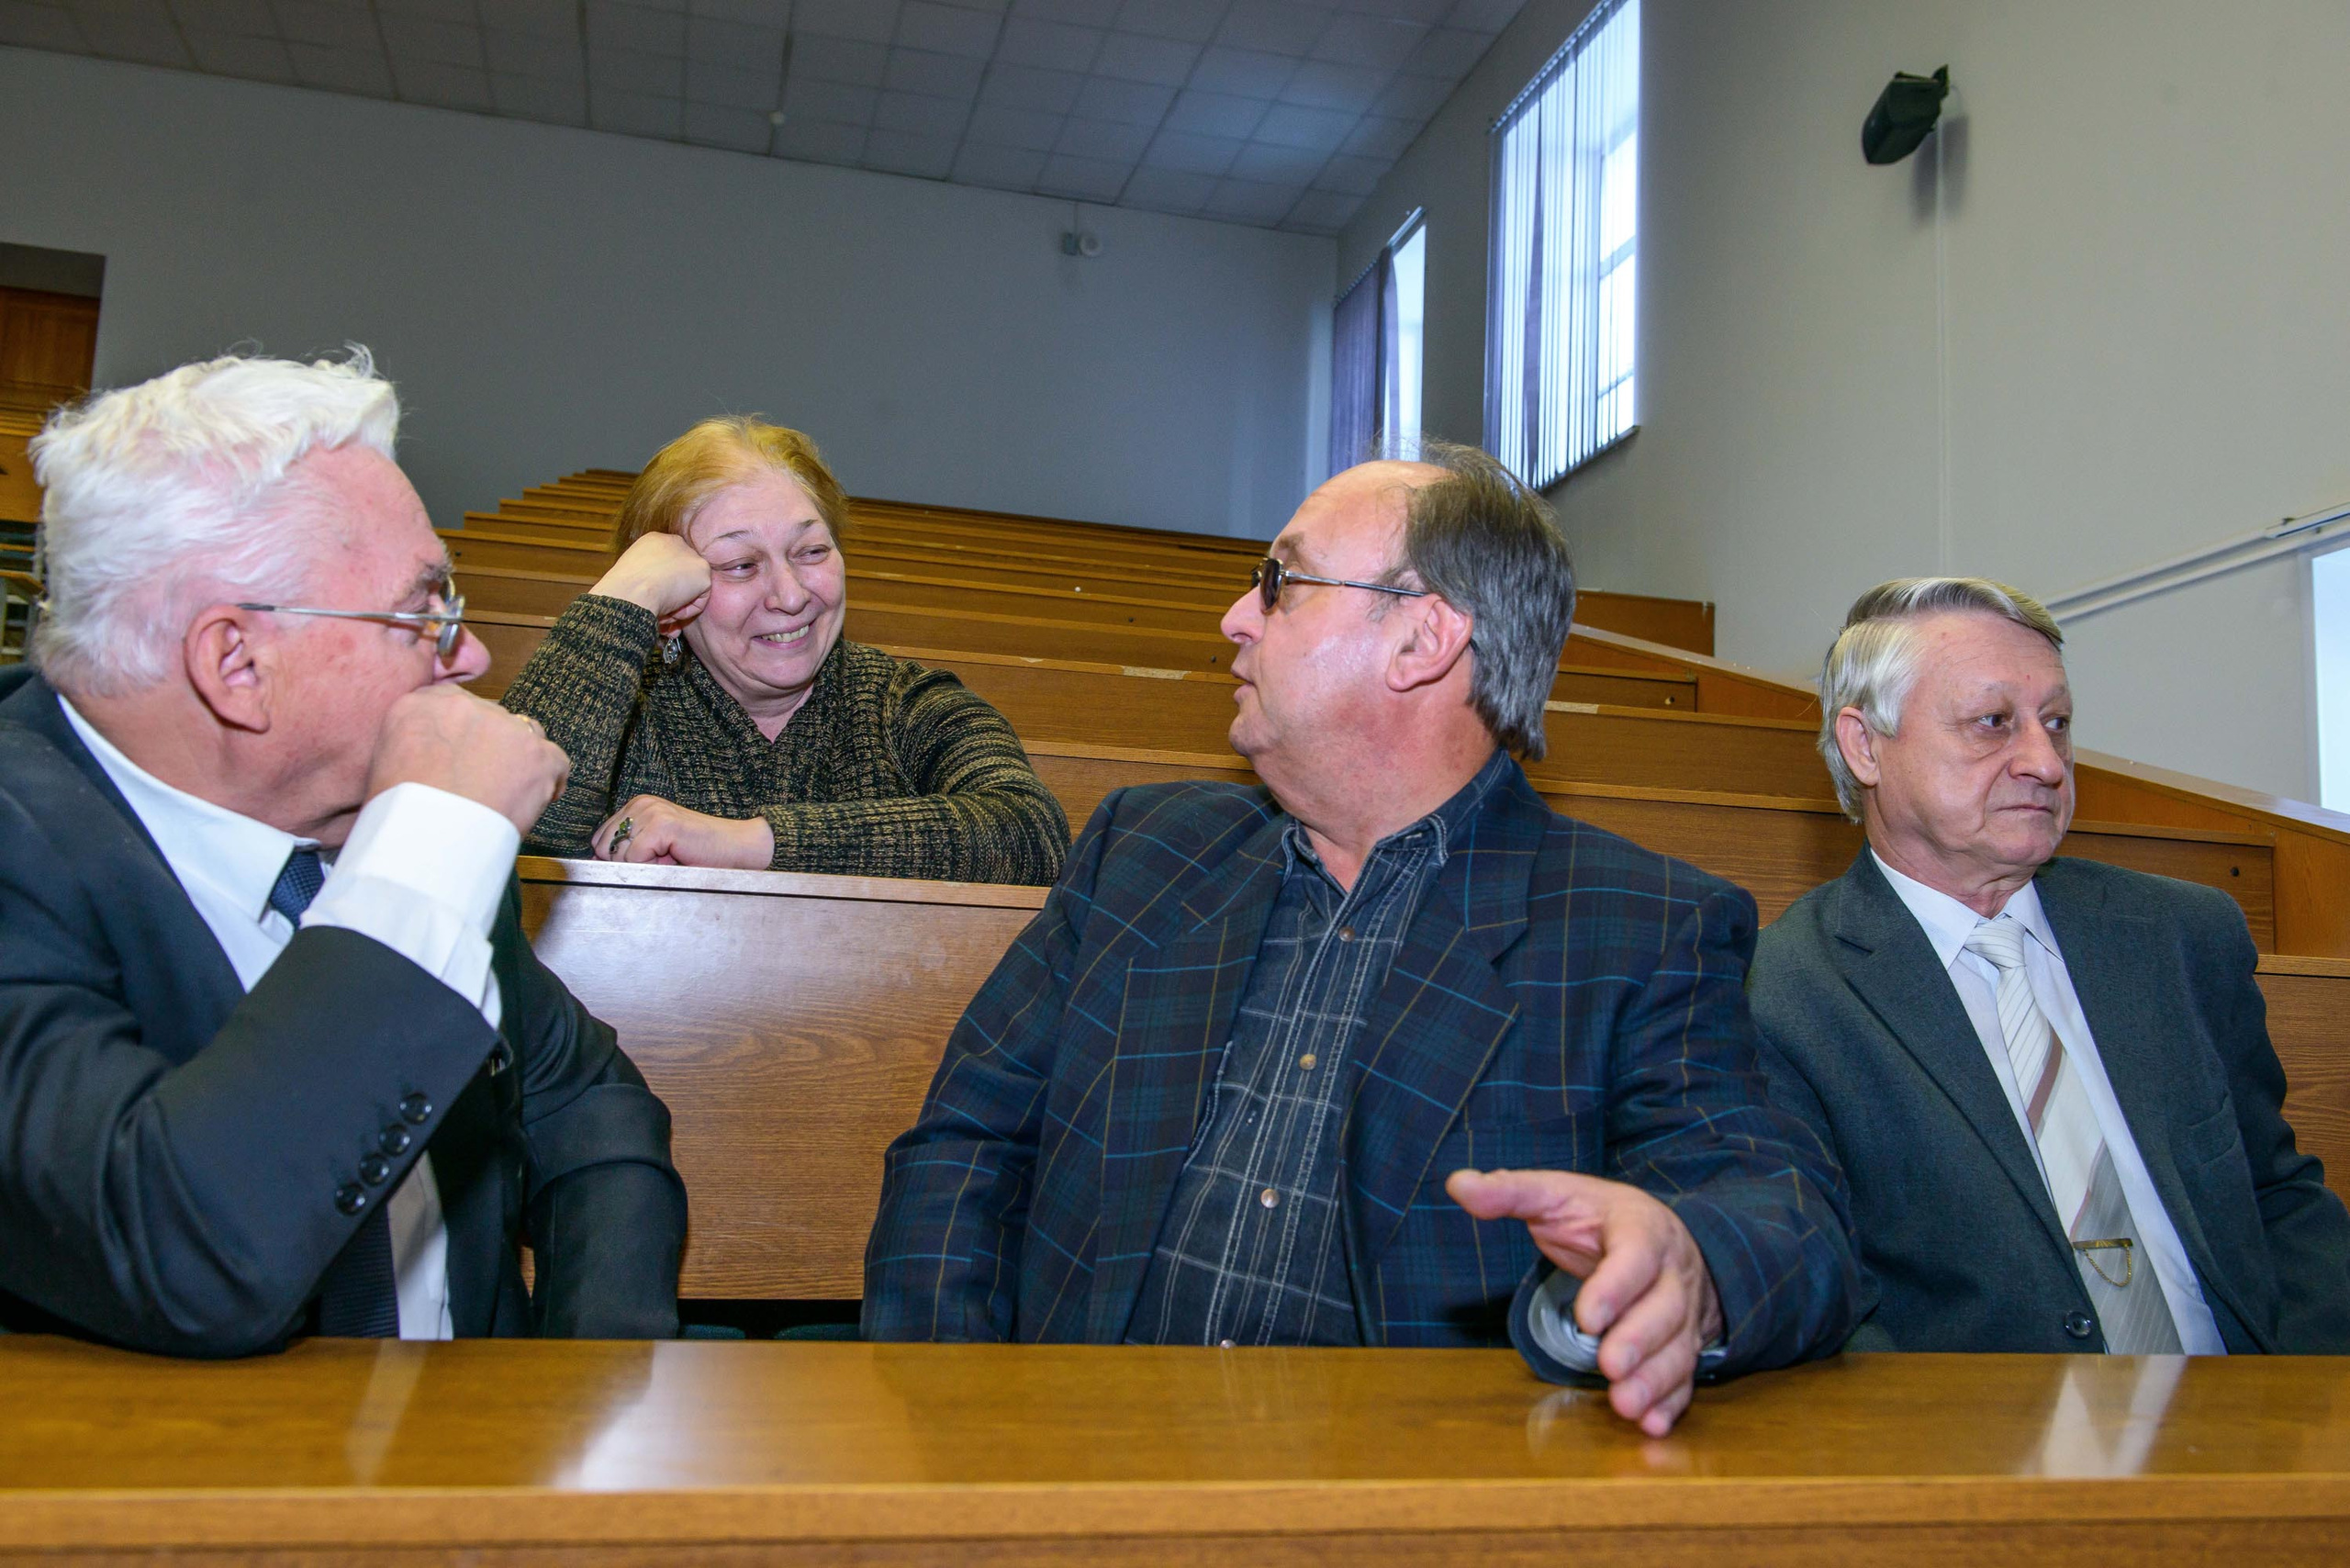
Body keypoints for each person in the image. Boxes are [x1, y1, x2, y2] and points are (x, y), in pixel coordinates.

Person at [864, 443, 1861, 1436]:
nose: (1235, 617)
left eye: (1280, 583)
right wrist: (960, 1425)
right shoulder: (1145, 852)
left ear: (1422, 640)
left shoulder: (1641, 927)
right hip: (1076, 1462)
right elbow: (964, 1150)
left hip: (1407, 1492)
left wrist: (1692, 1264)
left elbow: (1784, 1216)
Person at [0, 351, 687, 1356]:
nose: (469, 656)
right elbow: (183, 1247)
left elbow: (587, 1103)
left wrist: (581, 1380)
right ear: (237, 662)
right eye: (422, 612)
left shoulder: (381, 819)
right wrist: (427, 853)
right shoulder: (417, 840)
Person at [1749, 577, 2350, 1353]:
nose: (2046, 762)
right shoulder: (1781, 992)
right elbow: (1825, 1303)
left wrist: (2308, 1396)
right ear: (1865, 745)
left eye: (2057, 723)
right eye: (1993, 722)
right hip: (1985, 1422)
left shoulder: (2183, 935)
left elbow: (2278, 1198)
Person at [498, 418, 1068, 884]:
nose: (791, 596)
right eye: (740, 565)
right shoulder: (620, 707)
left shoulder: (902, 702)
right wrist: (628, 596)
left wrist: (748, 842)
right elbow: (505, 833)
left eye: (812, 551)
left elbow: (1029, 833)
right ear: (676, 590)